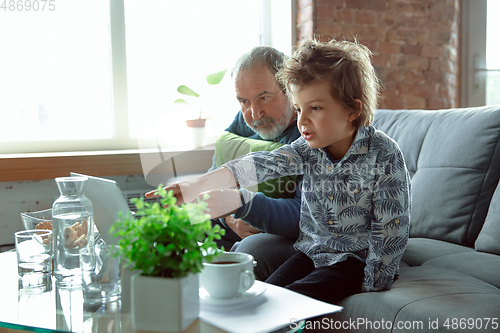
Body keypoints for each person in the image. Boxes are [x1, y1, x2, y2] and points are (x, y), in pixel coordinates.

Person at [157, 38, 411, 304]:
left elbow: (391, 228)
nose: (301, 121)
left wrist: (374, 284)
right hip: (311, 253)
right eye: (299, 108)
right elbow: (259, 164)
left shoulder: (383, 153)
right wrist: (196, 186)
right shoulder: (307, 147)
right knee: (264, 296)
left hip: (354, 261)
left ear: (352, 109)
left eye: (315, 108)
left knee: (287, 302)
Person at [148, 46, 303, 281]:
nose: (254, 113)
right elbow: (217, 172)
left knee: (253, 249)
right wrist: (228, 216)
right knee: (166, 228)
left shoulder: (310, 132)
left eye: (264, 97)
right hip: (234, 223)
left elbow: (307, 213)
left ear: (290, 89)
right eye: (243, 101)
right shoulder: (244, 121)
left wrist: (241, 206)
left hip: (282, 233)